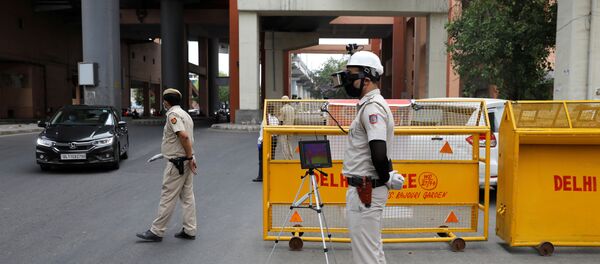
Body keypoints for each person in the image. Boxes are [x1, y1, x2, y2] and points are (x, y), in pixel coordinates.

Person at [341, 51, 395, 263]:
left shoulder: (372, 108)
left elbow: (379, 153)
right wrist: (388, 175)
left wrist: (387, 177)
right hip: (367, 189)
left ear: (366, 77)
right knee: (372, 251)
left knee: (366, 256)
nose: (347, 80)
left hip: (366, 190)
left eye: (351, 74)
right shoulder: (369, 105)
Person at [137, 88, 198, 242]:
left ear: (166, 101)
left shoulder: (173, 115)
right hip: (186, 161)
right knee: (187, 197)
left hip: (177, 163)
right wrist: (191, 157)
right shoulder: (185, 114)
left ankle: (157, 231)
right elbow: (187, 138)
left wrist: (189, 156)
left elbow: (183, 136)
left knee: (167, 196)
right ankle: (190, 230)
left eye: (163, 100)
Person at [253, 113, 279, 182]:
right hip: (273, 139)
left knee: (261, 160)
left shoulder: (265, 120)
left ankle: (261, 176)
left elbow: (262, 132)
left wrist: (260, 142)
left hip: (265, 140)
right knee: (271, 159)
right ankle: (270, 175)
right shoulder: (276, 119)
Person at [278, 95, 295, 160]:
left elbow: (281, 120)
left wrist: (279, 129)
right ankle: (291, 157)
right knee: (289, 143)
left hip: (284, 129)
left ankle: (286, 158)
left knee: (284, 144)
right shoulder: (292, 109)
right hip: (291, 128)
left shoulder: (282, 109)